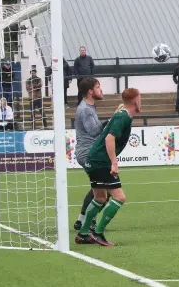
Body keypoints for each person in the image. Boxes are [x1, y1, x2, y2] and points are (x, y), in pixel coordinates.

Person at [76, 88, 141, 247]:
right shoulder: (123, 116)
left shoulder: (121, 115)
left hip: (93, 160)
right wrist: (114, 162)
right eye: (140, 99)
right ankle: (98, 233)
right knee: (119, 198)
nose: (141, 102)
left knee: (99, 198)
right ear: (135, 101)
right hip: (101, 162)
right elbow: (109, 139)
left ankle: (83, 234)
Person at [73, 77, 109, 232]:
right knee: (106, 189)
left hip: (89, 152)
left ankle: (82, 221)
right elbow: (94, 131)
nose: (101, 90)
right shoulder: (86, 109)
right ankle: (88, 222)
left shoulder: (89, 107)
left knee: (101, 187)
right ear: (90, 91)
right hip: (88, 153)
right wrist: (112, 120)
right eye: (98, 87)